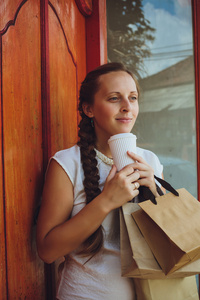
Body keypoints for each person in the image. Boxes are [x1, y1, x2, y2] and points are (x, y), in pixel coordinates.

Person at [36, 62, 164, 300]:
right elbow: (47, 250)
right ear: (89, 109)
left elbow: (167, 242)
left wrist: (156, 194)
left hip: (151, 293)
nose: (127, 107)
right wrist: (107, 200)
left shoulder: (151, 162)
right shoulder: (66, 164)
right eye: (115, 98)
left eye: (133, 98)